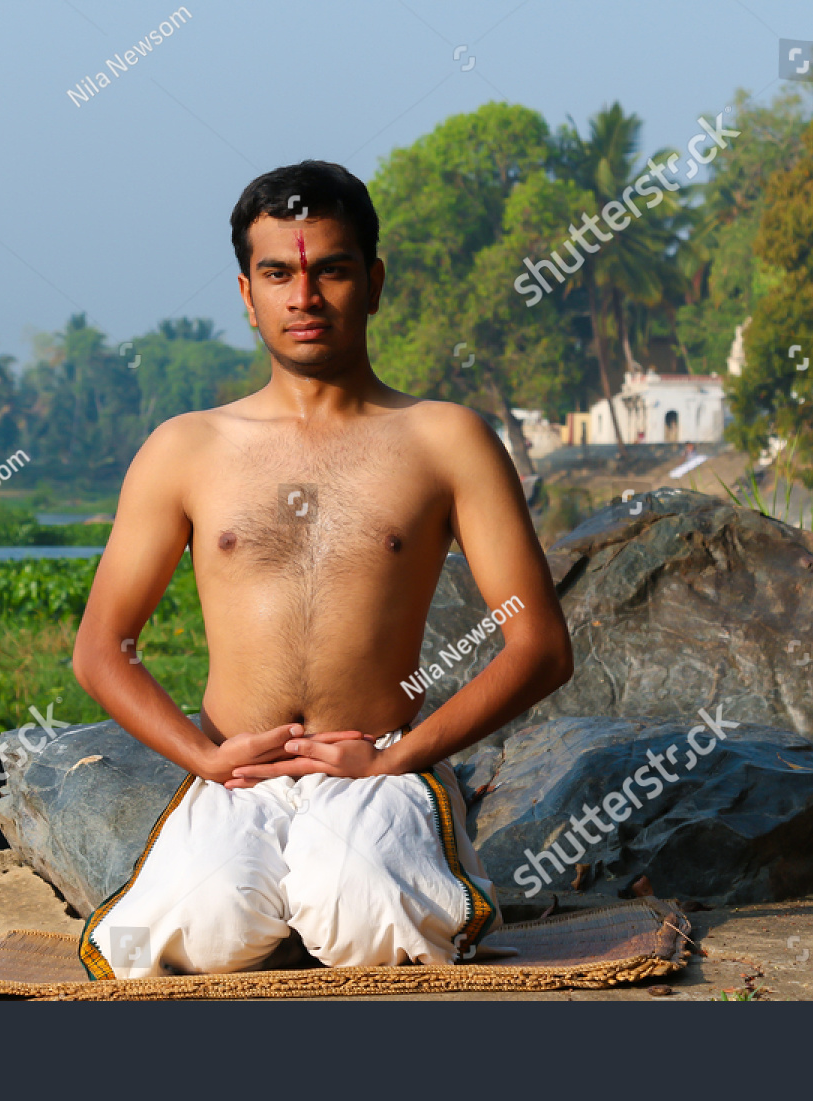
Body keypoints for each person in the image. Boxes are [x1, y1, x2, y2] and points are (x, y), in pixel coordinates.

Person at [71, 160, 574, 979]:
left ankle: (342, 884)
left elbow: (541, 647)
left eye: (331, 269)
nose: (303, 296)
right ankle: (278, 895)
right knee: (197, 927)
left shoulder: (446, 440)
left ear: (373, 282)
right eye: (277, 273)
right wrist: (206, 761)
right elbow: (100, 648)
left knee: (368, 911)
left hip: (379, 761)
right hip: (238, 770)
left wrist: (391, 759)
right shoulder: (185, 449)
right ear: (246, 294)